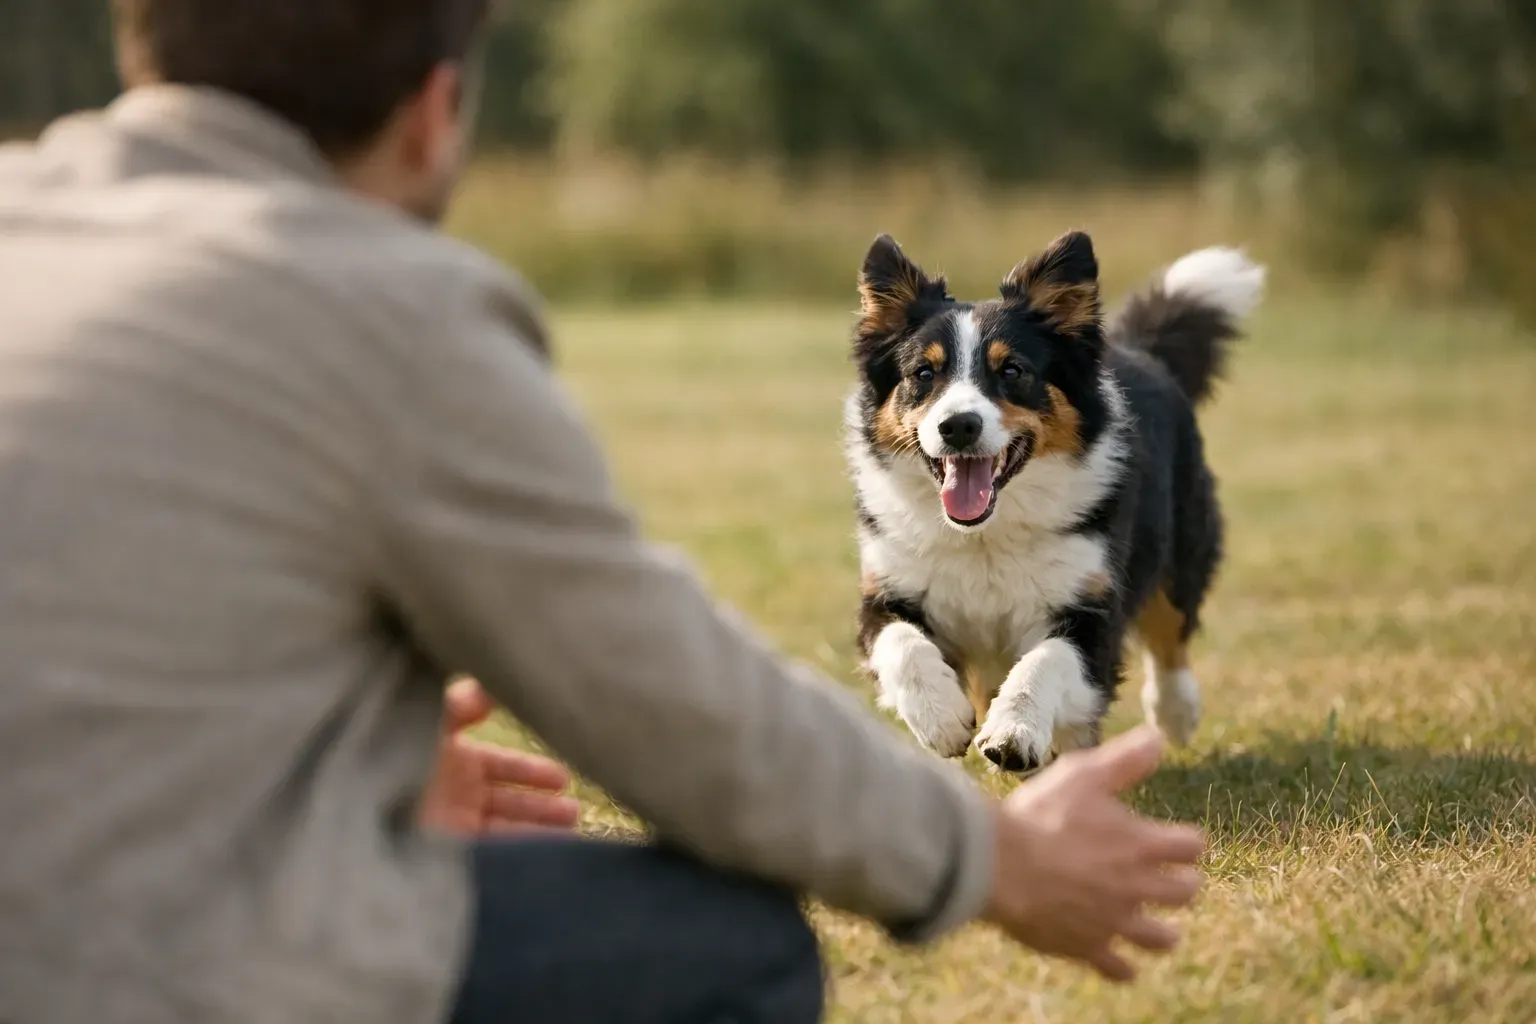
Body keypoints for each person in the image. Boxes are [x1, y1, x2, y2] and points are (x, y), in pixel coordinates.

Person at [0, 2, 1206, 1022]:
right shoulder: (386, 309)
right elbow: (669, 709)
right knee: (738, 945)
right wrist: (990, 857)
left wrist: (320, 781)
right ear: (435, 110)